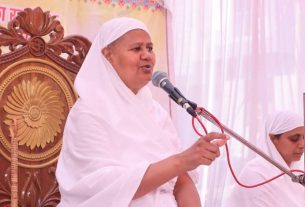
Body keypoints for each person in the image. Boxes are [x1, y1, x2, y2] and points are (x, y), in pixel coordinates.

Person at [55, 17, 228, 207]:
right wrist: (182, 160)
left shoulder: (155, 113)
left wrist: (184, 163)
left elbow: (182, 182)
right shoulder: (88, 112)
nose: (147, 55)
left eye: (150, 48)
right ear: (108, 56)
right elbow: (104, 190)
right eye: (137, 49)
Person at [226, 111, 305, 207]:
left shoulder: (299, 170)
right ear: (272, 139)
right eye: (294, 138)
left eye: (304, 137)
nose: (302, 145)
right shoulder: (255, 173)